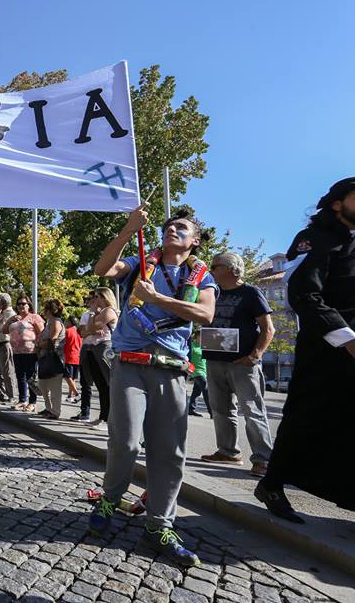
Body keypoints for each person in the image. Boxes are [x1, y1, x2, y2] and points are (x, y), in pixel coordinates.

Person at [88, 204, 217, 567]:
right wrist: (129, 228)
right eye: (168, 226)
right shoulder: (141, 262)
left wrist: (156, 298)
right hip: (130, 366)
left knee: (169, 453)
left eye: (181, 228)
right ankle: (110, 497)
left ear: (195, 240)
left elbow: (205, 314)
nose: (172, 230)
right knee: (125, 442)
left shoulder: (201, 277)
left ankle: (159, 524)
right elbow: (102, 269)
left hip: (172, 370)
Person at [256, 178, 355, 523]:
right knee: (306, 417)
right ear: (337, 203)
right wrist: (346, 338)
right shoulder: (313, 240)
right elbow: (303, 294)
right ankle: (271, 484)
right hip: (326, 346)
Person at [198, 252, 274, 478]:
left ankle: (264, 460)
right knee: (221, 410)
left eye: (215, 266)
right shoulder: (213, 293)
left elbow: (268, 328)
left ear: (231, 268)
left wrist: (255, 355)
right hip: (215, 360)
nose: (211, 270)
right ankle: (228, 451)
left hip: (243, 363)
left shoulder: (251, 293)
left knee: (253, 411)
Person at [81, 288, 120, 431]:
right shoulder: (98, 312)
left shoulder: (109, 311)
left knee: (107, 383)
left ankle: (110, 419)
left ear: (105, 297)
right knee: (100, 384)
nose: (94, 299)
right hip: (94, 347)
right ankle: (103, 416)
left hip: (105, 347)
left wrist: (93, 318)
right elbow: (89, 328)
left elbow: (92, 327)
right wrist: (93, 313)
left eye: (97, 296)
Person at [5, 295, 44, 412]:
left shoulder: (34, 317)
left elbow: (41, 333)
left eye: (23, 304)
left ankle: (32, 402)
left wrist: (38, 347)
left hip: (31, 351)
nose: (21, 306)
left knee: (30, 377)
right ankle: (22, 400)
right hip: (17, 352)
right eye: (19, 304)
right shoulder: (14, 318)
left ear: (29, 305)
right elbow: (4, 330)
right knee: (20, 377)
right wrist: (10, 320)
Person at [35, 299, 66, 419]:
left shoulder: (56, 323)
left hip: (54, 358)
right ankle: (48, 408)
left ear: (49, 310)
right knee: (43, 385)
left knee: (54, 388)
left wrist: (38, 345)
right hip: (45, 358)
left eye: (45, 308)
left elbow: (52, 340)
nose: (43, 310)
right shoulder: (49, 322)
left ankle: (55, 411)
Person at [70, 295, 97, 423]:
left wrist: (90, 330)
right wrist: (92, 330)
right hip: (86, 348)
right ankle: (85, 412)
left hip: (100, 349)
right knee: (85, 383)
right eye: (89, 299)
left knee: (104, 384)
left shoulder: (106, 311)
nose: (90, 301)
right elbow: (82, 333)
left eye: (94, 298)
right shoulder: (86, 314)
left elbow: (93, 330)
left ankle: (106, 416)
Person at [0, 293, 16, 403]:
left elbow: (0, 328)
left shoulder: (11, 313)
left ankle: (11, 395)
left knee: (7, 372)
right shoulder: (1, 313)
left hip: (5, 343)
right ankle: (1, 394)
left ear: (3, 302)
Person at [188, 327, 212, 418]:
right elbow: (188, 358)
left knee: (196, 392)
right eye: (201, 336)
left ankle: (191, 409)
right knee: (206, 390)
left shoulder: (205, 346)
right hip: (196, 371)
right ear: (197, 336)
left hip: (204, 372)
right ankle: (212, 412)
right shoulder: (192, 346)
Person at [63, 316, 82, 403]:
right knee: (72, 377)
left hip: (69, 356)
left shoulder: (68, 331)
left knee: (67, 376)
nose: (65, 323)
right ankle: (70, 396)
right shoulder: (79, 331)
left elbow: (63, 344)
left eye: (66, 321)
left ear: (70, 322)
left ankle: (77, 393)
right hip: (77, 356)